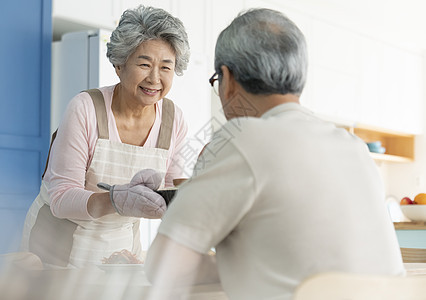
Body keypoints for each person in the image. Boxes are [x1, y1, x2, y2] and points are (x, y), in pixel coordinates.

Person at [145, 8, 405, 300]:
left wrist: (231, 265)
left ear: (227, 79)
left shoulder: (242, 137)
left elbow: (163, 265)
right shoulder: (353, 147)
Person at [21, 5, 190, 268]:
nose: (155, 78)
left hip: (120, 251)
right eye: (144, 64)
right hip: (57, 246)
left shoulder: (173, 119)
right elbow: (61, 198)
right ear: (119, 65)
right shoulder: (86, 108)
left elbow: (172, 196)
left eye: (166, 67)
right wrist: (116, 200)